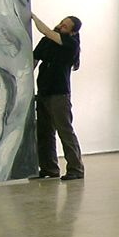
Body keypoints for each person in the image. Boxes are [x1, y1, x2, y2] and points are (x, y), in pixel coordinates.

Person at [30, 11, 84, 181]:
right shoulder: (47, 41)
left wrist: (33, 16)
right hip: (43, 92)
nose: (60, 26)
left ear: (73, 32)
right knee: (44, 132)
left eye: (65, 26)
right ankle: (49, 168)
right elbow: (33, 61)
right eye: (61, 23)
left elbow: (46, 31)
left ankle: (76, 169)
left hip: (59, 94)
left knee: (65, 131)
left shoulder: (71, 44)